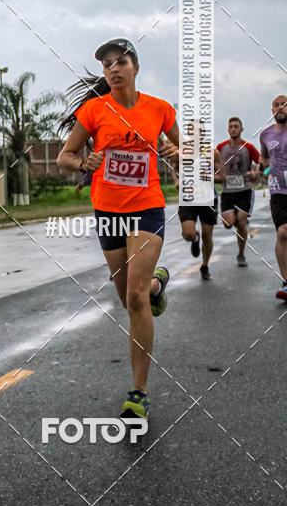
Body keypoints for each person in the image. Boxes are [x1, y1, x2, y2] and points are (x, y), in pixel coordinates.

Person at [57, 38, 179, 422]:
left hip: (146, 208)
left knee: (136, 298)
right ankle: (158, 285)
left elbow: (190, 150)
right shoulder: (93, 110)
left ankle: (138, 392)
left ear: (135, 68)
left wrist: (180, 152)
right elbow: (65, 156)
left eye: (120, 61)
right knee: (130, 299)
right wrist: (84, 163)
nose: (113, 68)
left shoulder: (159, 109)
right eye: (107, 64)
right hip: (107, 212)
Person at [174, 131, 224, 280]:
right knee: (188, 233)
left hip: (208, 198)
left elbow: (221, 176)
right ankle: (195, 239)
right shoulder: (182, 152)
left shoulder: (212, 153)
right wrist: (177, 181)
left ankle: (205, 265)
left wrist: (208, 177)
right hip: (188, 198)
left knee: (208, 234)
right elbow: (175, 169)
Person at [216, 117, 260, 267]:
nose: (233, 129)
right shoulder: (221, 147)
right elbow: (213, 164)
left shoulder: (249, 147)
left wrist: (255, 174)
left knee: (241, 222)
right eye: (231, 127)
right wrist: (216, 176)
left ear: (242, 129)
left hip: (244, 190)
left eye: (236, 126)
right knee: (229, 224)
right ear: (228, 130)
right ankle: (238, 218)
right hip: (227, 191)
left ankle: (241, 254)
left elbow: (261, 163)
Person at [259, 95, 287, 301]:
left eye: (284, 104)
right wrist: (261, 169)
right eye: (276, 105)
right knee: (283, 233)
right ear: (272, 111)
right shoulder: (266, 135)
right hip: (278, 191)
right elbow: (264, 159)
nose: (280, 108)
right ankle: (286, 283)